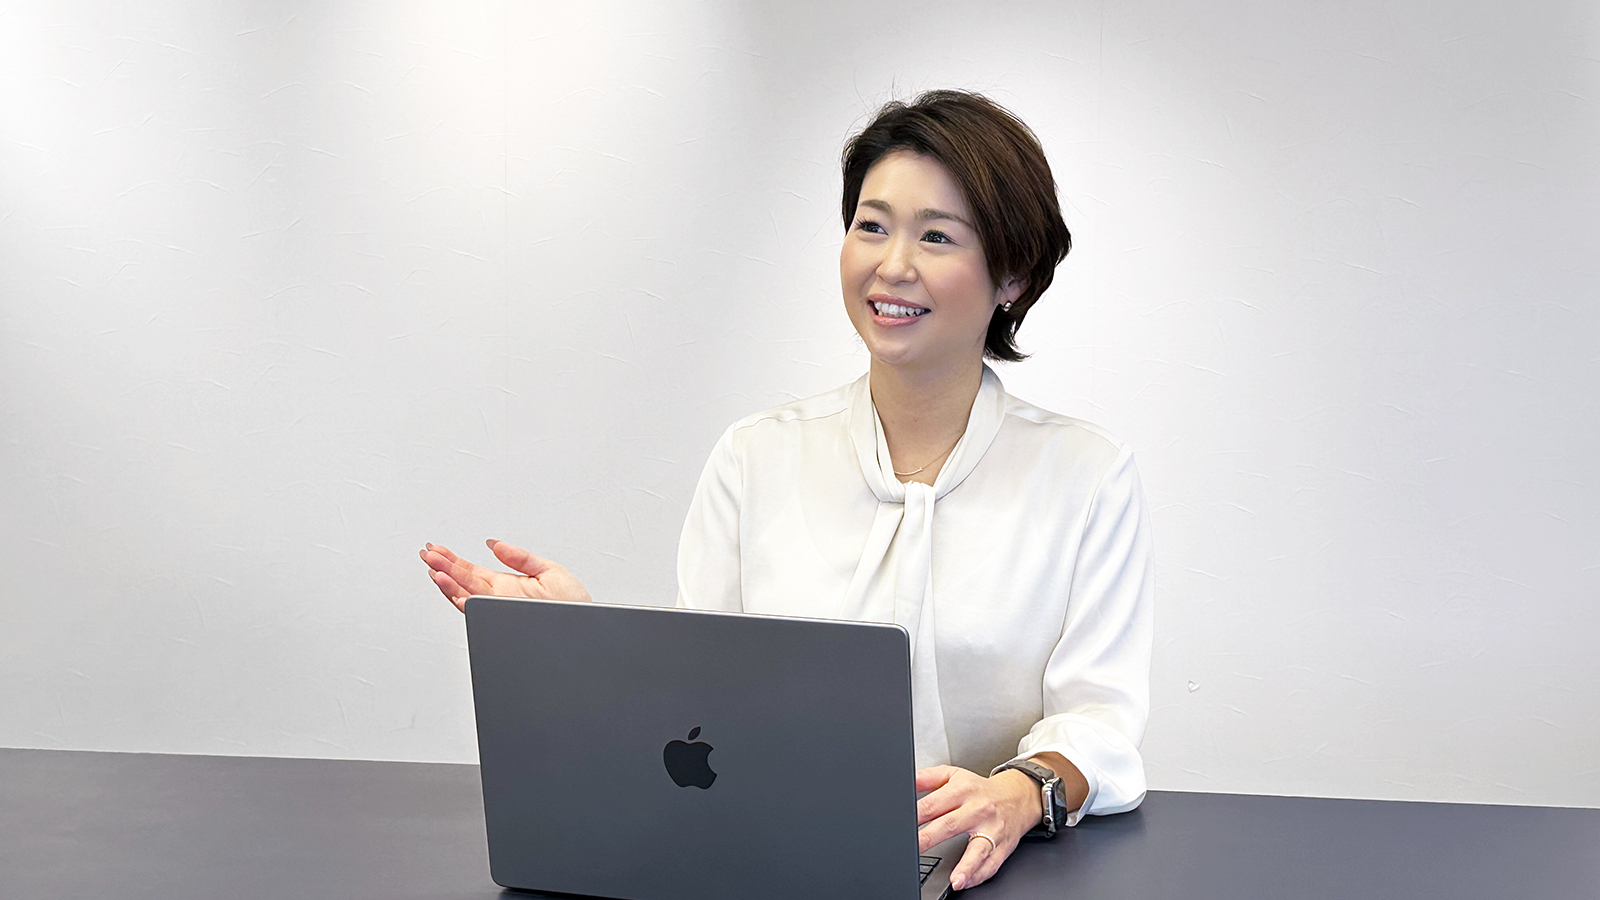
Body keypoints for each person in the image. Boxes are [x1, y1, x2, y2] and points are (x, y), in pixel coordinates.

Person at [422, 89, 1154, 892]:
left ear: (1012, 274)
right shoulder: (756, 456)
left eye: (937, 235)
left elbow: (1100, 721)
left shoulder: (1085, 475)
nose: (892, 265)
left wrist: (1016, 796)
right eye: (871, 226)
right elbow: (702, 703)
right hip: (769, 863)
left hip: (987, 873)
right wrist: (586, 645)